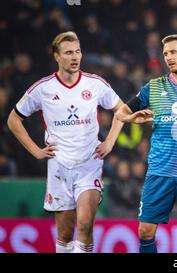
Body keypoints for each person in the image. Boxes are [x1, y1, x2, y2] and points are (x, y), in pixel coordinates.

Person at [7, 31, 125, 253]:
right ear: (57, 57)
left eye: (78, 51)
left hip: (89, 164)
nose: (75, 57)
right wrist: (35, 151)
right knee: (64, 233)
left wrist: (109, 141)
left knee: (85, 224)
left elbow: (122, 110)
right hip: (59, 166)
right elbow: (13, 120)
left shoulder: (95, 84)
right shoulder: (42, 89)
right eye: (69, 52)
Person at [115, 34, 177, 253]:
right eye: (165, 54)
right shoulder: (153, 87)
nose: (168, 57)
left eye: (173, 52)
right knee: (145, 231)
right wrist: (133, 117)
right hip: (159, 171)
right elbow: (122, 112)